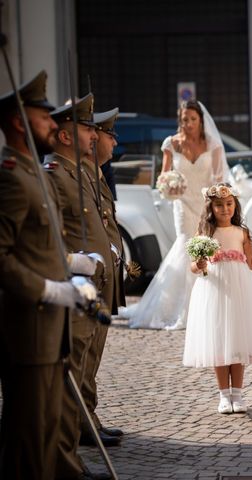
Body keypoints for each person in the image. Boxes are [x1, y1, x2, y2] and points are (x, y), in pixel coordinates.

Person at [0, 70, 88, 480]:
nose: (54, 124)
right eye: (44, 116)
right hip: (29, 327)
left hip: (53, 329)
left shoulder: (36, 175)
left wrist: (72, 270)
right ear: (19, 122)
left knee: (49, 428)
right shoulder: (12, 178)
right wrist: (49, 290)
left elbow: (44, 246)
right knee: (29, 437)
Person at [44, 93, 115, 479]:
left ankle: (71, 453)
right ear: (66, 135)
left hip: (93, 285)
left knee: (84, 368)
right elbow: (54, 236)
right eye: (86, 127)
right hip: (73, 289)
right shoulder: (56, 174)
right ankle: (66, 461)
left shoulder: (81, 172)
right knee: (69, 380)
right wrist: (78, 265)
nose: (94, 134)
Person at [123, 100, 230, 329]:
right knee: (185, 245)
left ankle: (207, 306)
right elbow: (163, 176)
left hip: (205, 205)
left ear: (201, 120)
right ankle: (184, 309)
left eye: (193, 119)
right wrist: (169, 187)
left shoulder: (213, 145)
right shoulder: (170, 144)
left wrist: (216, 205)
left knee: (207, 249)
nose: (189, 123)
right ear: (179, 120)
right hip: (181, 205)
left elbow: (220, 179)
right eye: (184, 119)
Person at [182, 183, 252, 413]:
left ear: (236, 205)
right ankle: (224, 395)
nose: (225, 209)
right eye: (219, 205)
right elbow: (194, 267)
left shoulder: (241, 232)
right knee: (220, 340)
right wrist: (199, 264)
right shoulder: (205, 233)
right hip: (214, 289)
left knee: (238, 339)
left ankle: (238, 395)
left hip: (239, 290)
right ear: (211, 208)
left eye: (229, 204)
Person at [78, 107, 125, 447]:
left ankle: (87, 415)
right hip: (87, 277)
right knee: (84, 352)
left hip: (102, 275)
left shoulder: (97, 173)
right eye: (110, 134)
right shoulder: (80, 174)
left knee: (93, 352)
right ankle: (82, 419)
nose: (111, 139)